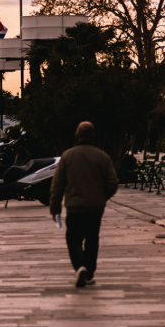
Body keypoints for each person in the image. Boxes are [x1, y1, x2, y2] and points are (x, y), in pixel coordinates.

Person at [49, 121, 119, 288]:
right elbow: (113, 183)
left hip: (74, 207)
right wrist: (101, 197)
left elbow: (57, 185)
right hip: (95, 208)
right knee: (92, 239)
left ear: (77, 135)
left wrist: (55, 207)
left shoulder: (67, 156)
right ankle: (89, 273)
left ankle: (80, 265)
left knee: (73, 238)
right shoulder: (102, 157)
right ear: (93, 135)